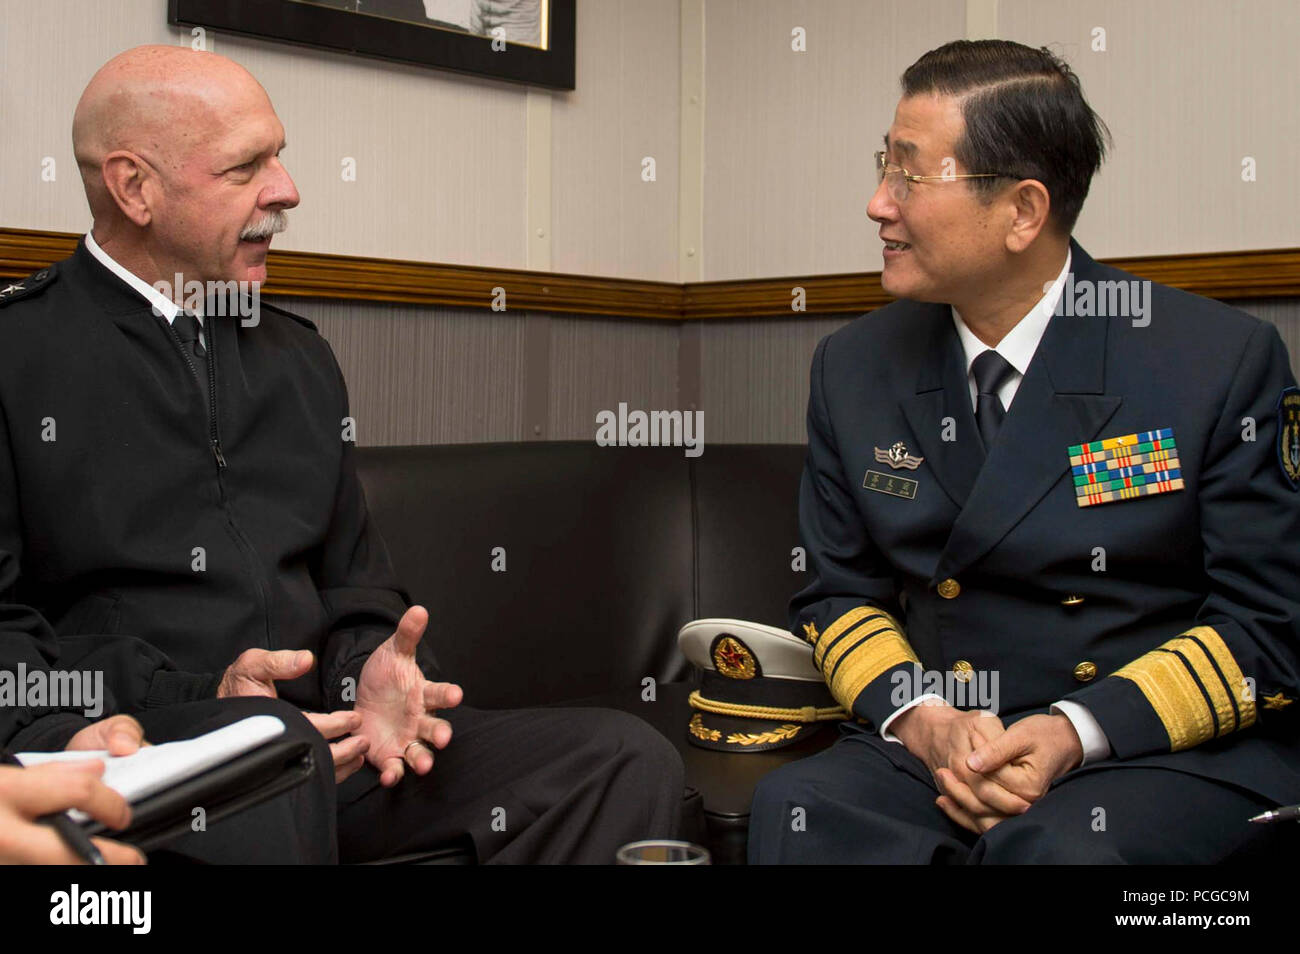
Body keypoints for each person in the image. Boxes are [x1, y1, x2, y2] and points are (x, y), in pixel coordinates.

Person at [0, 44, 683, 864]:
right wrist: (191, 697)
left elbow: (357, 583)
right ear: (133, 187)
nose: (286, 191)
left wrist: (370, 669)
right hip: (150, 755)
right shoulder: (17, 354)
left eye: (279, 156)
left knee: (623, 760)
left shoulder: (298, 359)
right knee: (267, 753)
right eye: (246, 167)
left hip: (337, 749)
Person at [748, 39, 1300, 864]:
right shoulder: (855, 366)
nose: (877, 203)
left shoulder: (1212, 360)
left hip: (1149, 743)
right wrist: (924, 720)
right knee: (800, 808)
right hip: (949, 732)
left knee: (1054, 849)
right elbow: (837, 595)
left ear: (1023, 211)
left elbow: (1269, 625)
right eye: (883, 165)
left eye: (910, 174)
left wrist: (1074, 732)